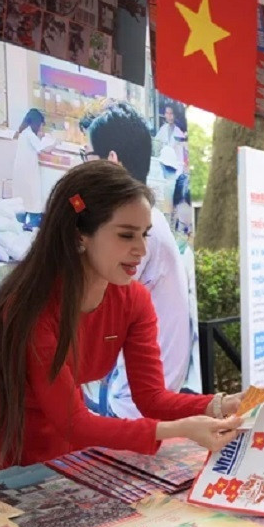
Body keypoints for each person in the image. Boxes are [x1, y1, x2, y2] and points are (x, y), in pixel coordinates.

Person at [0, 162, 264, 481]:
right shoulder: (31, 306)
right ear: (80, 235)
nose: (141, 249)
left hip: (56, 444)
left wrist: (222, 404)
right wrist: (181, 430)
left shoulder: (132, 300)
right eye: (126, 235)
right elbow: (75, 423)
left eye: (144, 234)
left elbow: (152, 398)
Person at [84, 102, 192, 411]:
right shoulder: (144, 218)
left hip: (136, 402)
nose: (84, 168)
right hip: (145, 390)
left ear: (112, 161)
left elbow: (93, 321)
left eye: (89, 158)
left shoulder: (135, 228)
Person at [11, 108, 56, 224]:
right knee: (33, 203)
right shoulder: (29, 134)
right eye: (41, 125)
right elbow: (44, 150)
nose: (41, 128)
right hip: (28, 173)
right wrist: (56, 143)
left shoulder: (23, 133)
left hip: (21, 172)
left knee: (23, 203)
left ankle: (23, 225)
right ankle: (32, 225)